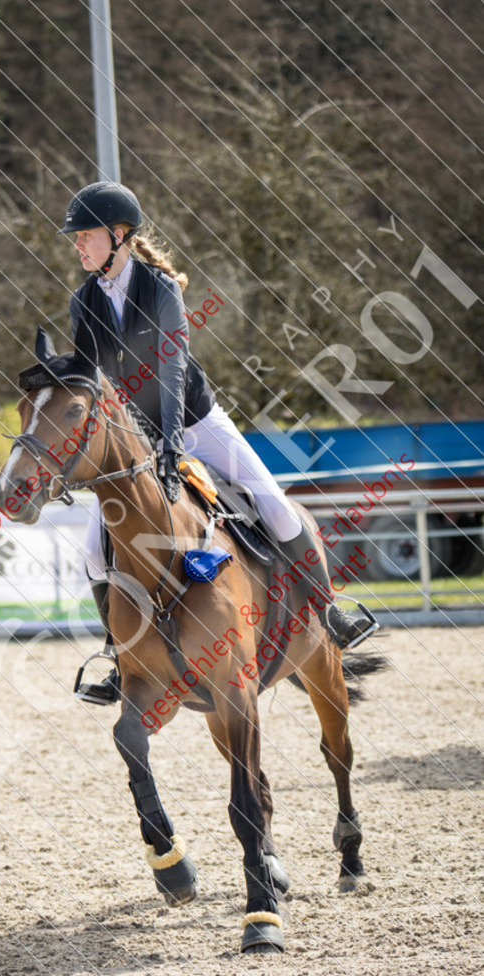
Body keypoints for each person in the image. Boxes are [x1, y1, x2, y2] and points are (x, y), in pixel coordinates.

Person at [58, 181, 377, 704]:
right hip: (137, 442)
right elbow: (92, 379)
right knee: (95, 549)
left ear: (118, 236)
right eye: (76, 238)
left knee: (272, 503)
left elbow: (172, 361)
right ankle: (120, 658)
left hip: (196, 424)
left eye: (85, 235)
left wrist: (167, 439)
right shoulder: (84, 300)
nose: (78, 245)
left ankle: (329, 612)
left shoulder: (160, 288)